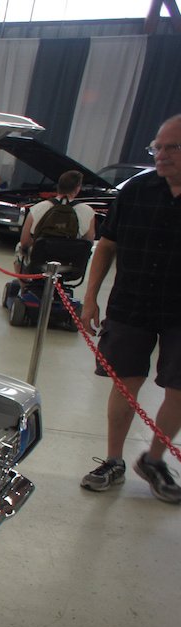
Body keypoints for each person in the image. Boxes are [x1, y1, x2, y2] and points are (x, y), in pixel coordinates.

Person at [79, 114, 181, 503]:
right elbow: (107, 244)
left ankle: (154, 460)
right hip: (131, 304)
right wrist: (91, 296)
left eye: (173, 147)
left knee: (179, 389)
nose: (162, 155)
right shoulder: (136, 190)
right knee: (125, 383)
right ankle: (114, 460)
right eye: (158, 147)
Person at [17, 169, 96, 259]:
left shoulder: (37, 208)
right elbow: (89, 241)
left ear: (58, 186)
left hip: (40, 260)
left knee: (19, 247)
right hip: (71, 261)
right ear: (77, 188)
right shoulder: (88, 211)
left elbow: (25, 242)